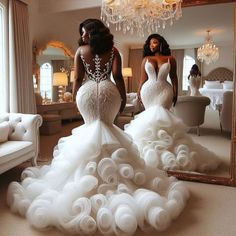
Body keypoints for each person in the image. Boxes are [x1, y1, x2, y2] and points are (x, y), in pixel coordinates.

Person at [7, 20, 189, 235]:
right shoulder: (113, 51)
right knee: (106, 129)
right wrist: (121, 98)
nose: (82, 36)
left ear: (93, 33)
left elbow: (78, 77)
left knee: (92, 128)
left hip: (87, 94)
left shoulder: (80, 51)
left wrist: (76, 96)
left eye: (84, 32)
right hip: (108, 91)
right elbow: (118, 77)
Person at [125, 34, 220, 172]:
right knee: (149, 118)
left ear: (161, 43)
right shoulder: (146, 59)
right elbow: (142, 79)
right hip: (148, 92)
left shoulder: (171, 59)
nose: (152, 45)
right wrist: (139, 92)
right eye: (150, 43)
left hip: (165, 91)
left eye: (155, 42)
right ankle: (148, 153)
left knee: (162, 116)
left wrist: (175, 92)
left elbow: (174, 78)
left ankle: (167, 149)